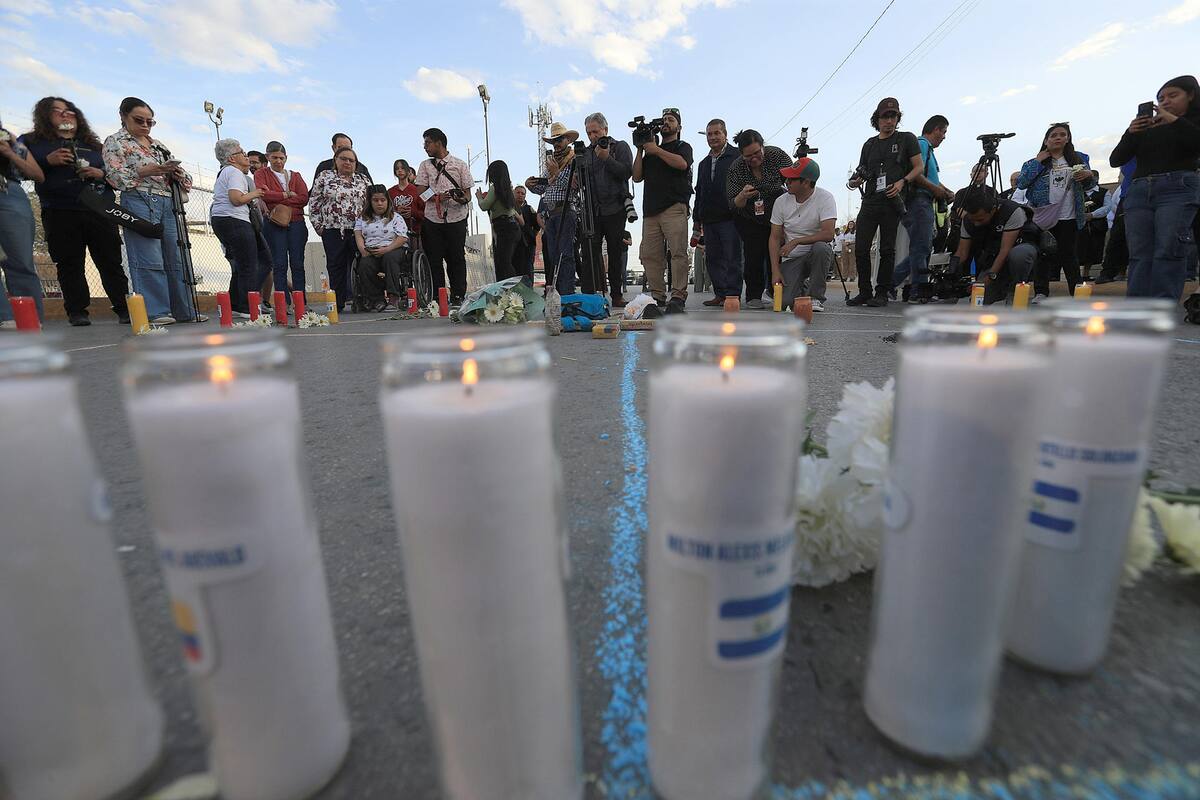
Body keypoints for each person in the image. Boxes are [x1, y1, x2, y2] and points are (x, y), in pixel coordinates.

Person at [20, 96, 129, 326]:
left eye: (69, 110)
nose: (65, 114)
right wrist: (47, 161)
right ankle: (77, 311)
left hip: (99, 209)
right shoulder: (32, 142)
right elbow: (17, 169)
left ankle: (124, 308)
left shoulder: (95, 146)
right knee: (69, 263)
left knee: (110, 262)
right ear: (44, 116)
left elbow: (119, 175)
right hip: (59, 210)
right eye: (57, 111)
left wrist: (100, 174)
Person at [102, 96, 202, 324]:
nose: (146, 126)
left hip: (169, 202)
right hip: (139, 199)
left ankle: (184, 310)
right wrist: (146, 171)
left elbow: (187, 178)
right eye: (139, 120)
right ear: (123, 117)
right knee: (148, 256)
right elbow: (115, 177)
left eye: (150, 122)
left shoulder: (158, 145)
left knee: (177, 256)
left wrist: (176, 173)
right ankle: (157, 311)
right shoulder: (115, 142)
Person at [1110, 75, 1200, 299]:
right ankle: (1137, 309)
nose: (1165, 101)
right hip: (1140, 189)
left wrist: (1172, 119)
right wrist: (1131, 133)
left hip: (1177, 187)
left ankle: (1161, 308)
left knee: (1168, 249)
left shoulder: (1191, 122)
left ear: (1190, 96)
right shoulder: (1147, 127)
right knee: (1139, 253)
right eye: (1161, 98)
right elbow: (1116, 159)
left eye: (1173, 95)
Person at [846, 98, 923, 307]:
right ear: (877, 119)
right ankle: (864, 291)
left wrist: (902, 181)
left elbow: (919, 167)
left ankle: (882, 291)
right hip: (870, 200)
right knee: (861, 248)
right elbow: (860, 171)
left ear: (898, 118)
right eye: (885, 117)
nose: (889, 121)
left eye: (893, 116)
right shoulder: (869, 144)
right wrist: (855, 181)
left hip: (891, 200)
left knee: (887, 249)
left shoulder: (906, 139)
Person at [1017, 122, 1094, 299]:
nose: (1058, 138)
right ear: (1046, 140)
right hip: (1043, 215)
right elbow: (1022, 183)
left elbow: (1090, 185)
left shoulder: (1079, 159)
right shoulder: (1033, 162)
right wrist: (1038, 161)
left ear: (1068, 138)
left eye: (1062, 134)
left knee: (1069, 254)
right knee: (1043, 253)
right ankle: (1041, 291)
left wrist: (1088, 175)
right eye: (1053, 135)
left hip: (1069, 214)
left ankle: (1077, 291)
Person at [724, 129, 791, 309]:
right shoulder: (736, 168)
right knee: (753, 253)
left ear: (763, 146)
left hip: (776, 212)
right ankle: (753, 295)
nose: (754, 158)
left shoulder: (777, 155)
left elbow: (792, 181)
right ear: (741, 155)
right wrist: (742, 195)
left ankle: (775, 291)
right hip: (748, 216)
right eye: (748, 156)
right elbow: (733, 203)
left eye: (757, 152)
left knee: (775, 253)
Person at [891, 115, 956, 298]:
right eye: (943, 132)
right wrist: (936, 191)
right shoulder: (921, 144)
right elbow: (916, 174)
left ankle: (891, 284)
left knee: (922, 247)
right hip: (918, 201)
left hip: (923, 201)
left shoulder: (927, 149)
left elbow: (930, 177)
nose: (944, 137)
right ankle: (918, 291)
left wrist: (944, 191)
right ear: (936, 129)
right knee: (921, 248)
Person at [209, 138, 273, 317]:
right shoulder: (234, 172)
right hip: (235, 220)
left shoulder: (226, 172)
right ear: (232, 158)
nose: (246, 156)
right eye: (242, 153)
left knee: (244, 264)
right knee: (251, 264)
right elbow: (236, 199)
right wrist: (256, 193)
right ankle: (246, 306)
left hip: (224, 220)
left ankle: (236, 304)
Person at [951, 184, 1040, 305]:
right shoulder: (968, 220)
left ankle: (1015, 289)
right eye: (973, 220)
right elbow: (962, 252)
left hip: (1016, 250)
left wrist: (989, 278)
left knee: (1019, 255)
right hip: (992, 256)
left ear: (993, 210)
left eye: (980, 220)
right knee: (979, 299)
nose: (976, 224)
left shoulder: (1012, 211)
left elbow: (1005, 250)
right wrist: (950, 271)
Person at [768, 158, 837, 312]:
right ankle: (803, 286)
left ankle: (815, 297)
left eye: (791, 179)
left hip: (814, 255)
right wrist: (775, 271)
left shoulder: (825, 198)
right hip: (791, 259)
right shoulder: (781, 202)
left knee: (822, 248)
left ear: (806, 182)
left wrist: (796, 241)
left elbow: (828, 234)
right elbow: (774, 237)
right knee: (785, 303)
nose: (787, 182)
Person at [580, 112, 634, 304]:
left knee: (615, 253)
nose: (592, 136)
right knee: (589, 253)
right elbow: (582, 182)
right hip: (592, 210)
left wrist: (606, 158)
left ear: (605, 129)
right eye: (589, 133)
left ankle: (617, 295)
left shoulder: (619, 146)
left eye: (595, 131)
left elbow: (627, 172)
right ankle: (589, 296)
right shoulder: (585, 153)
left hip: (615, 208)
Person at [415, 127, 473, 305]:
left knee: (456, 258)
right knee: (434, 259)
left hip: (457, 218)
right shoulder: (425, 165)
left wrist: (460, 198)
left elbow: (468, 194)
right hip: (433, 219)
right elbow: (420, 192)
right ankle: (438, 297)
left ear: (438, 143)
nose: (425, 147)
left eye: (427, 143)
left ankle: (458, 295)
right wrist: (436, 197)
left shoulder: (460, 164)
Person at [310, 146, 370, 312]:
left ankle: (363, 300)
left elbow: (371, 203)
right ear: (335, 160)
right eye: (343, 159)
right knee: (336, 266)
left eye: (351, 160)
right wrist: (318, 226)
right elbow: (314, 202)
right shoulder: (325, 176)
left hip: (359, 231)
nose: (347, 162)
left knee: (362, 264)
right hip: (332, 229)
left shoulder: (363, 180)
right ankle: (338, 302)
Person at [0, 116, 45, 329]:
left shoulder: (9, 139)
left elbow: (37, 174)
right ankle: (4, 316)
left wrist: (9, 153)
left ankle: (29, 318)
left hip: (8, 191)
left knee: (20, 260)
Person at [526, 122, 580, 296]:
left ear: (567, 140)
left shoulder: (574, 160)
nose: (556, 144)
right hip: (551, 215)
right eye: (554, 141)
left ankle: (567, 292)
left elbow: (574, 186)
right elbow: (543, 188)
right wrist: (530, 186)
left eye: (559, 140)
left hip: (566, 211)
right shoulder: (552, 162)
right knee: (554, 256)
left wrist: (556, 173)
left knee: (565, 254)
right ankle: (559, 292)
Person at [693, 118, 742, 307]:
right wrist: (697, 218)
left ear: (725, 134)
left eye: (716, 133)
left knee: (732, 258)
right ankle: (720, 294)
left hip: (730, 217)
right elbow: (699, 191)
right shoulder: (703, 163)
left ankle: (732, 295)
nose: (712, 137)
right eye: (709, 134)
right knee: (712, 258)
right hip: (709, 219)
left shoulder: (737, 156)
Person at [254, 140, 309, 310]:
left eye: (281, 158)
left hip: (297, 223)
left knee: (297, 263)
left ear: (286, 158)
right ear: (268, 157)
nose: (278, 161)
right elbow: (264, 194)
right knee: (279, 264)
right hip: (275, 224)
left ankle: (301, 303)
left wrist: (277, 199)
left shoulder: (295, 176)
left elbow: (304, 198)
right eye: (274, 158)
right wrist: (286, 194)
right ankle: (283, 303)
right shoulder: (261, 174)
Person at [354, 185, 409, 311]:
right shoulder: (362, 219)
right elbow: (358, 235)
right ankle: (376, 299)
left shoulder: (396, 217)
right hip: (372, 250)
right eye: (375, 200)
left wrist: (386, 249)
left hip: (393, 248)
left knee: (390, 258)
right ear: (370, 202)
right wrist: (363, 250)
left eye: (383, 200)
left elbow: (402, 238)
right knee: (364, 265)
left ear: (387, 201)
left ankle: (393, 296)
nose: (379, 203)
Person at [476, 160, 522, 281]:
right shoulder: (508, 189)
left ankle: (511, 287)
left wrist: (479, 198)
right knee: (506, 261)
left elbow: (484, 206)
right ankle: (511, 287)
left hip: (503, 227)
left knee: (502, 263)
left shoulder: (495, 187)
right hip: (512, 227)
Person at [1096, 159, 1137, 284]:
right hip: (1127, 197)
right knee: (1117, 237)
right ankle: (1109, 271)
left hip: (1146, 190)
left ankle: (1127, 271)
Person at [1077, 172, 1112, 281]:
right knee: (1078, 249)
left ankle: (1086, 274)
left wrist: (1092, 215)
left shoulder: (1104, 192)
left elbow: (1107, 207)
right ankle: (1076, 274)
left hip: (1097, 226)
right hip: (1080, 227)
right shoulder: (1078, 192)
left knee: (1093, 250)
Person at [388, 158, 425, 242]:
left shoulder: (417, 190)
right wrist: (396, 212)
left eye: (402, 168)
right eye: (397, 169)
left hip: (415, 232)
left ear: (408, 171)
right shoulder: (390, 192)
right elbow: (386, 213)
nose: (400, 170)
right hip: (395, 233)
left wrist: (412, 213)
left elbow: (425, 212)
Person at [512, 184, 539, 282]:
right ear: (513, 194)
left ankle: (529, 289)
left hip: (528, 244)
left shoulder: (529, 209)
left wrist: (531, 234)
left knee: (527, 268)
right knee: (515, 267)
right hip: (514, 244)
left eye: (522, 193)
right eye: (518, 193)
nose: (520, 195)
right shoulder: (509, 208)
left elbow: (537, 225)